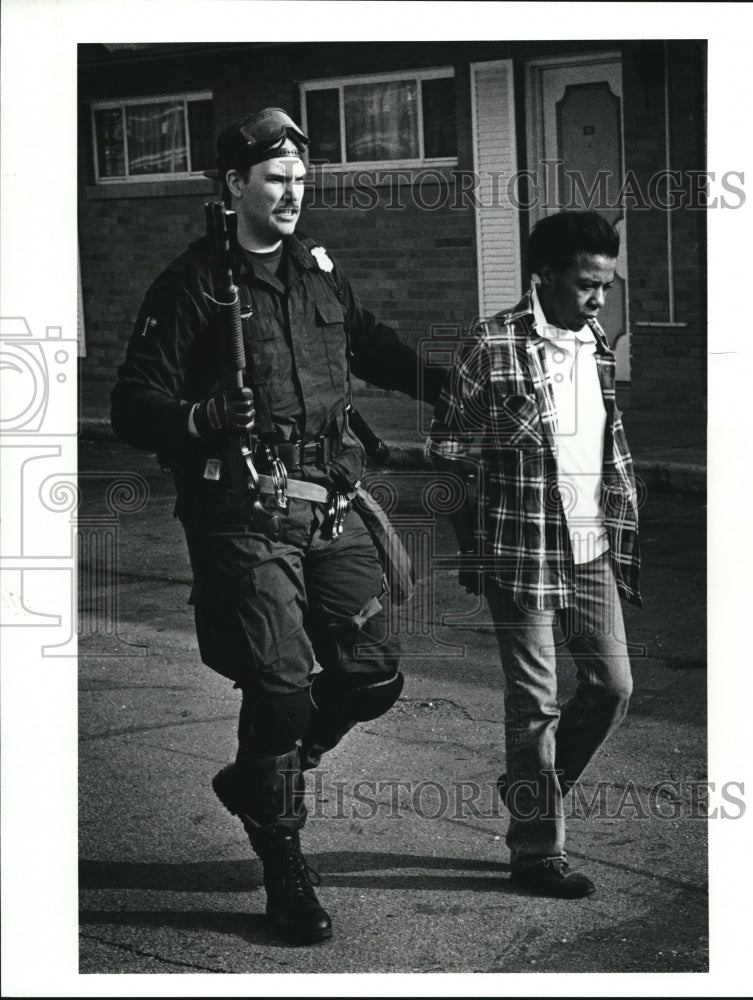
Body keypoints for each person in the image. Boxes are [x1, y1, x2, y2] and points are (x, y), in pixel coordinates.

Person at [111, 107, 446, 944]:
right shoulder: (191, 285)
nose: (293, 193)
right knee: (281, 681)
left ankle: (269, 774)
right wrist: (197, 418)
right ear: (233, 187)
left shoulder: (317, 271)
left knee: (373, 676)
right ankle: (283, 863)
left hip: (327, 504)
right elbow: (130, 404)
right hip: (242, 514)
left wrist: (444, 383)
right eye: (275, 178)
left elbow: (367, 344)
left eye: (301, 178)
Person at [427, 210, 641, 899]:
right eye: (585, 284)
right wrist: (470, 551)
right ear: (543, 275)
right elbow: (451, 456)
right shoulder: (489, 344)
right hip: (518, 550)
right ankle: (535, 852)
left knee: (611, 688)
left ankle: (529, 789)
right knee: (533, 707)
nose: (596, 299)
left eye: (604, 286)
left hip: (590, 549)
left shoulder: (597, 342)